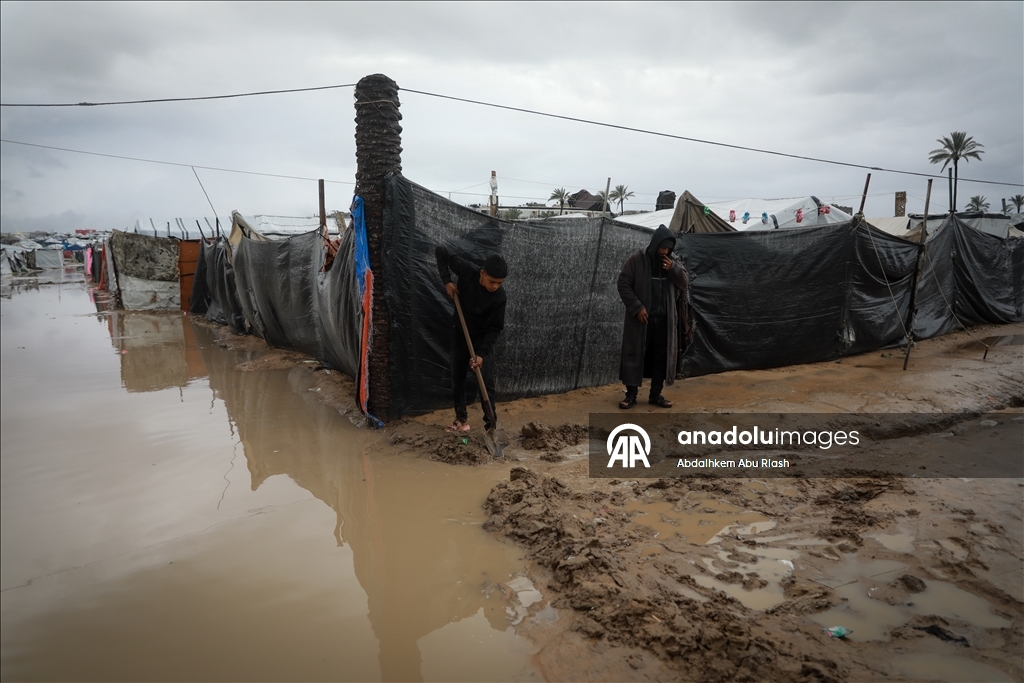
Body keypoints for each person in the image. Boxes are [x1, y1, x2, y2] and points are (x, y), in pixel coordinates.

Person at [435, 246, 508, 432]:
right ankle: (461, 420)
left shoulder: (499, 297)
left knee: (486, 382)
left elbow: (495, 328)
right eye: (492, 281)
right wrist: (447, 281)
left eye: (499, 283)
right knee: (457, 377)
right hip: (460, 331)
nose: (495, 286)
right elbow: (441, 252)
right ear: (482, 273)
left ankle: (491, 424)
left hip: (482, 338)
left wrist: (481, 354)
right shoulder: (467, 271)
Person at [617, 224, 689, 409]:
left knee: (660, 358)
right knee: (634, 355)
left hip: (664, 320)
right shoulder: (637, 260)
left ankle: (655, 394)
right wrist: (637, 307)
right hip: (641, 320)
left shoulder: (672, 261)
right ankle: (631, 395)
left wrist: (673, 269)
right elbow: (623, 283)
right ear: (654, 244)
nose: (664, 252)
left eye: (668, 249)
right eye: (661, 248)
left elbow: (684, 283)